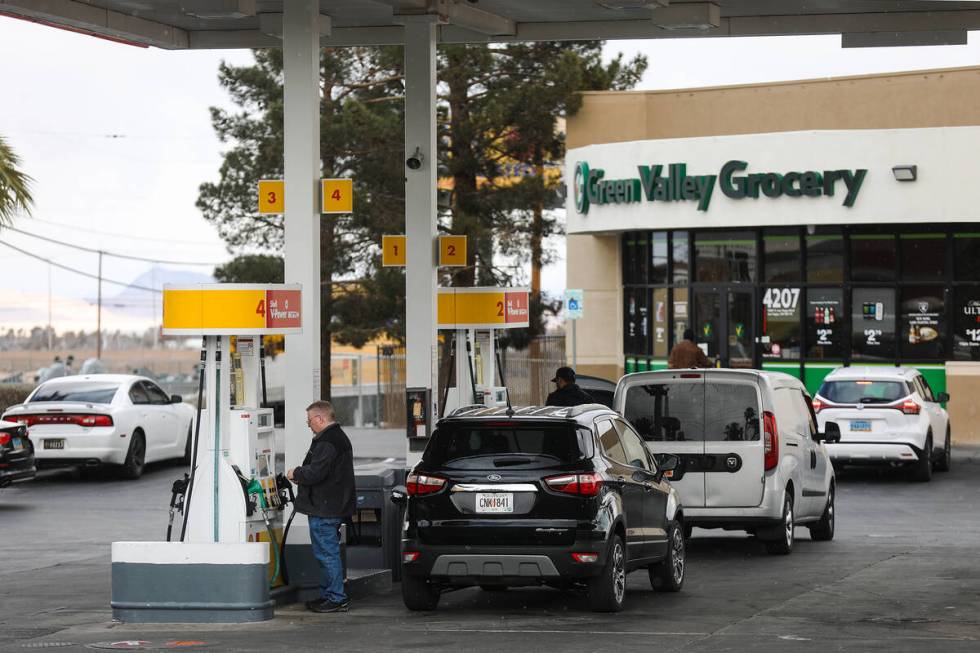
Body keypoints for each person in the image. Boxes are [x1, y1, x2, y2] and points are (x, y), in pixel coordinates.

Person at [287, 400, 355, 613]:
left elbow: (317, 472)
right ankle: (328, 595)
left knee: (327, 554)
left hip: (325, 507)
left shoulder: (328, 441)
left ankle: (336, 598)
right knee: (326, 552)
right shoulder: (335, 438)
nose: (309, 425)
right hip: (330, 505)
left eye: (310, 421)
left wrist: (295, 474)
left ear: (320, 418)